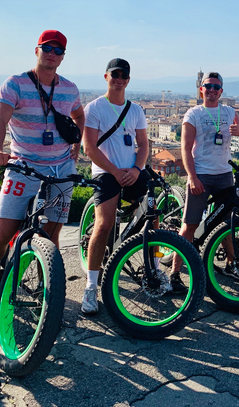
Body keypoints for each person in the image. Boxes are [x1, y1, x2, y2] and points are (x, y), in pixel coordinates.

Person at [0, 30, 84, 308]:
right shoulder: (15, 84)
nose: (52, 54)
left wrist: (77, 145)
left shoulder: (70, 88)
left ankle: (46, 281)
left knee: (52, 234)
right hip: (24, 167)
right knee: (0, 234)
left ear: (63, 56)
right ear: (37, 50)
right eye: (48, 48)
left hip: (60, 170)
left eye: (58, 50)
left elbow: (80, 115)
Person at [171, 72, 239, 292]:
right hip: (202, 174)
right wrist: (193, 177)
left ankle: (230, 264)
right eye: (208, 86)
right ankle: (175, 273)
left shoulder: (229, 112)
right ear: (201, 89)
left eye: (216, 87)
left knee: (225, 225)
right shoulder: (193, 113)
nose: (212, 90)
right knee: (190, 224)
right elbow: (185, 149)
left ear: (221, 91)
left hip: (224, 174)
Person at [80, 59, 150, 314]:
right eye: (115, 74)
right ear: (106, 77)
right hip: (106, 172)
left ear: (128, 79)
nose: (120, 78)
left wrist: (135, 169)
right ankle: (90, 286)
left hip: (131, 171)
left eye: (124, 75)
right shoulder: (95, 107)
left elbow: (143, 145)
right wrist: (115, 172)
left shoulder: (136, 110)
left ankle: (150, 268)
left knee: (151, 216)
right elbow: (89, 148)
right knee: (104, 224)